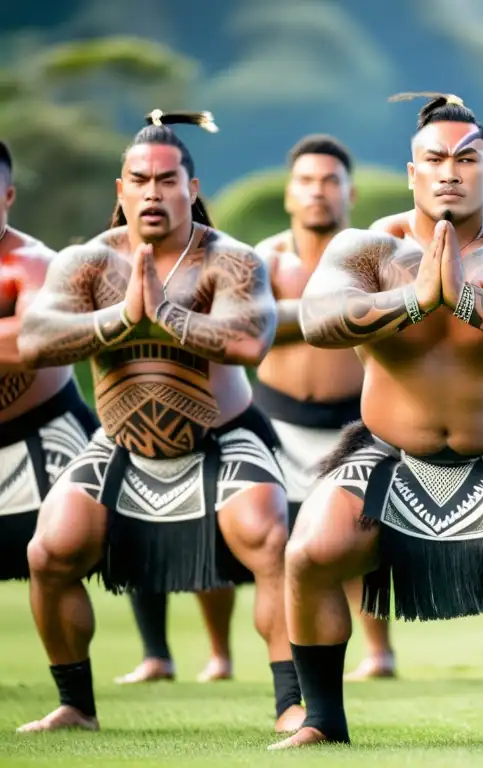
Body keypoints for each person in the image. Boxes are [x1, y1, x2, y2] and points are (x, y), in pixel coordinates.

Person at [270, 93, 483, 750]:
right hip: (389, 450)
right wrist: (417, 297)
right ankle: (321, 721)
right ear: (411, 172)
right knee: (309, 552)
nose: (450, 171)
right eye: (434, 159)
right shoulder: (366, 248)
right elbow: (317, 321)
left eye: (466, 158)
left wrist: (464, 297)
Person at [14, 111, 304, 734]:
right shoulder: (85, 262)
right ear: (120, 189)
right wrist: (120, 319)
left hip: (222, 438)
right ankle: (75, 705)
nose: (153, 191)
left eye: (168, 180)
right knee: (51, 550)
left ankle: (291, 704)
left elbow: (250, 340)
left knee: (269, 538)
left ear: (192, 189)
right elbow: (36, 340)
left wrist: (166, 314)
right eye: (139, 180)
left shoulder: (232, 260)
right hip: (119, 442)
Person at [252, 134, 398, 681]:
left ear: (350, 192)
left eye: (330, 181)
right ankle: (237, 657)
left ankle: (379, 651)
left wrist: (297, 318)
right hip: (276, 420)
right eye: (307, 182)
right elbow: (249, 330)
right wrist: (328, 315)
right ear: (290, 194)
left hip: (354, 420)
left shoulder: (371, 258)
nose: (318, 192)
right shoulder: (262, 259)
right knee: (269, 545)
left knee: (360, 537)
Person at [0, 140, 98, 587]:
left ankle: (159, 655)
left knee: (126, 536)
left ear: (8, 196)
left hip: (46, 435)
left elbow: (29, 344)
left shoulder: (36, 263)